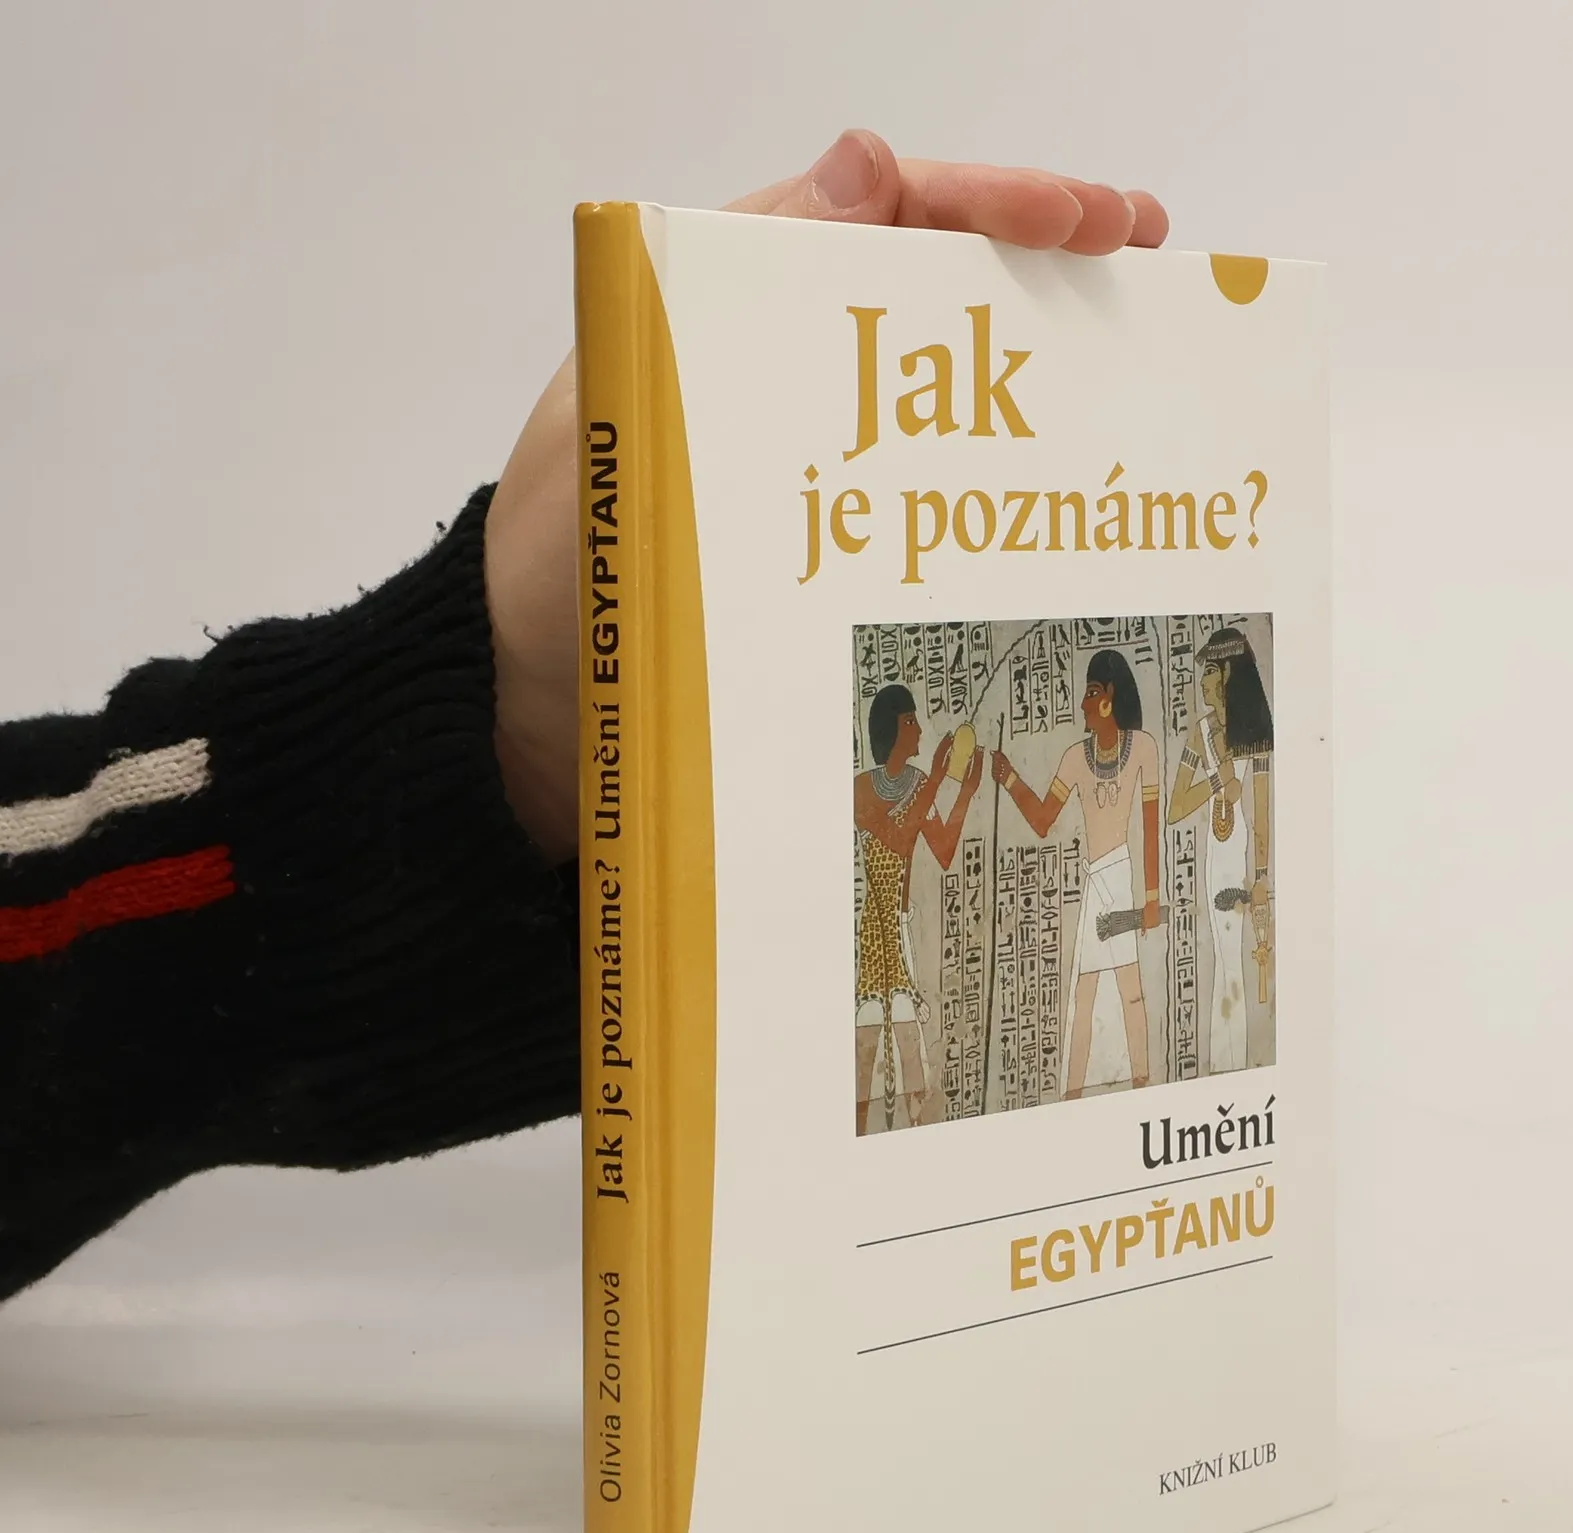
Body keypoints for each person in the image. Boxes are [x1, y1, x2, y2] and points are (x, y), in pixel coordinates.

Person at [0, 132, 1171, 1305]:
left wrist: (517, 741)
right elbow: (944, 833)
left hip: (944, 936)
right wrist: (503, 743)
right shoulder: (894, 794)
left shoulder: (948, 784)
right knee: (979, 1068)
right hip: (886, 956)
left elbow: (956, 832)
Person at [989, 650, 1161, 1097]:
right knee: (1084, 995)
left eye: (1091, 693)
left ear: (1110, 697)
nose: (1083, 704)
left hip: (1120, 877)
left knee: (1131, 989)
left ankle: (1143, 1083)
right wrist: (1009, 778)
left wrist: (1151, 897)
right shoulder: (1074, 757)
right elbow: (1043, 820)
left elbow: (1150, 827)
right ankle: (1073, 1096)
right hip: (1096, 883)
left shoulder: (1143, 748)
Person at [853, 685, 981, 1132]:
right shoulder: (860, 789)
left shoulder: (919, 784)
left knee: (911, 1057)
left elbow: (942, 849)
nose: (920, 729)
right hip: (875, 934)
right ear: (891, 729)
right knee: (864, 1057)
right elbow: (898, 838)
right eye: (910, 721)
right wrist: (937, 779)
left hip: (901, 929)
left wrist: (966, 791)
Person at [1165, 627, 1273, 1073]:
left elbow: (1261, 808)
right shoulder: (1202, 734)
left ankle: (1234, 1068)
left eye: (1210, 671)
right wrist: (1215, 782)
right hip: (1217, 858)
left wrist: (1262, 876)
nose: (1202, 681)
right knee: (1225, 964)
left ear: (1228, 674)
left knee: (1235, 966)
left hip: (1240, 858)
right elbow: (1174, 809)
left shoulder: (1255, 733)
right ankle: (1224, 1067)